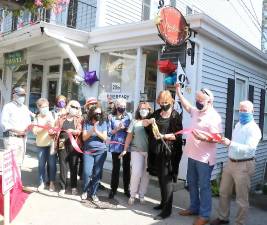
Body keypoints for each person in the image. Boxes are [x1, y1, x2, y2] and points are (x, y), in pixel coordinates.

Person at [176, 84, 222, 225]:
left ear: (209, 101)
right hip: (192, 156)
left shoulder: (214, 117)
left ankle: (205, 215)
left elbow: (218, 137)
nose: (198, 102)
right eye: (197, 99)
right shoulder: (197, 111)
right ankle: (194, 208)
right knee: (192, 184)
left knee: (204, 187)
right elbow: (187, 106)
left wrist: (204, 138)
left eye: (201, 100)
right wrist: (178, 92)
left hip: (204, 159)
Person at [210, 101, 261, 225]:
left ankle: (240, 223)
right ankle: (223, 218)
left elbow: (250, 148)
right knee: (223, 191)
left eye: (245, 110)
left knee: (241, 198)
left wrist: (230, 143)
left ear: (252, 112)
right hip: (231, 162)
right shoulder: (238, 124)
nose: (242, 112)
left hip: (244, 164)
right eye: (241, 110)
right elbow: (234, 143)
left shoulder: (254, 129)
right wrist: (225, 142)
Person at [143, 90, 183, 220]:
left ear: (171, 101)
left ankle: (167, 210)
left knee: (167, 181)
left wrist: (164, 136)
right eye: (161, 102)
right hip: (156, 152)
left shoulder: (175, 116)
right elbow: (146, 128)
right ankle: (162, 203)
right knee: (160, 179)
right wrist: (147, 122)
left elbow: (177, 136)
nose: (163, 104)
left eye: (166, 102)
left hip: (168, 153)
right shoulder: (156, 113)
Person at [119, 101, 152, 205]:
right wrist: (125, 149)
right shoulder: (134, 121)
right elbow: (129, 136)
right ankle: (132, 194)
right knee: (136, 173)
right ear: (138, 110)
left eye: (145, 108)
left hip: (149, 153)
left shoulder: (151, 122)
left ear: (149, 110)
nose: (143, 110)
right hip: (136, 151)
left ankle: (142, 195)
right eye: (141, 108)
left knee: (146, 175)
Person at [54, 100, 83, 196]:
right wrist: (52, 131)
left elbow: (79, 130)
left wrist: (74, 131)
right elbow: (55, 129)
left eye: (76, 107)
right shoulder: (61, 118)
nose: (74, 109)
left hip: (73, 145)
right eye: (73, 106)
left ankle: (74, 186)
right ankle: (63, 187)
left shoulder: (79, 119)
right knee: (63, 165)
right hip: (62, 144)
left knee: (73, 166)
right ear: (68, 106)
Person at [0, 87, 31, 173]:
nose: (22, 98)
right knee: (10, 164)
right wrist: (17, 130)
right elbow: (4, 123)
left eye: (23, 96)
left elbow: (28, 122)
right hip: (12, 138)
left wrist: (29, 128)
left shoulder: (25, 108)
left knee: (19, 164)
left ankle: (17, 185)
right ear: (14, 96)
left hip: (23, 139)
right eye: (20, 95)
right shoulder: (8, 107)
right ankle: (10, 186)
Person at [81, 105, 108, 202]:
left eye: (100, 113)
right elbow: (84, 138)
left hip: (101, 152)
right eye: (96, 113)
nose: (98, 115)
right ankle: (85, 190)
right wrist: (91, 130)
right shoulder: (86, 123)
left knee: (97, 173)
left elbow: (105, 138)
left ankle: (94, 193)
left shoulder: (103, 123)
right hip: (88, 151)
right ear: (92, 113)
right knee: (87, 172)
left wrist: (96, 131)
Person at [108, 98, 131, 199]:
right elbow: (109, 132)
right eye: (121, 106)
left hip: (126, 145)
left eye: (124, 106)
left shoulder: (128, 117)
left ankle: (127, 189)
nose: (123, 108)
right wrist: (117, 128)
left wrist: (125, 128)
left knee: (126, 168)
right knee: (116, 169)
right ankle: (113, 189)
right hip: (116, 146)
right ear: (116, 106)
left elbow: (131, 130)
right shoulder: (111, 118)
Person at [32, 98, 56, 192]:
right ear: (38, 107)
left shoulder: (52, 115)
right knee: (41, 164)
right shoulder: (36, 117)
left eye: (47, 106)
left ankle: (51, 183)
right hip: (41, 144)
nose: (45, 108)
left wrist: (52, 130)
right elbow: (35, 131)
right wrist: (45, 126)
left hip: (51, 144)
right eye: (43, 107)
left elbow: (56, 129)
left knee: (52, 164)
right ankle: (41, 182)